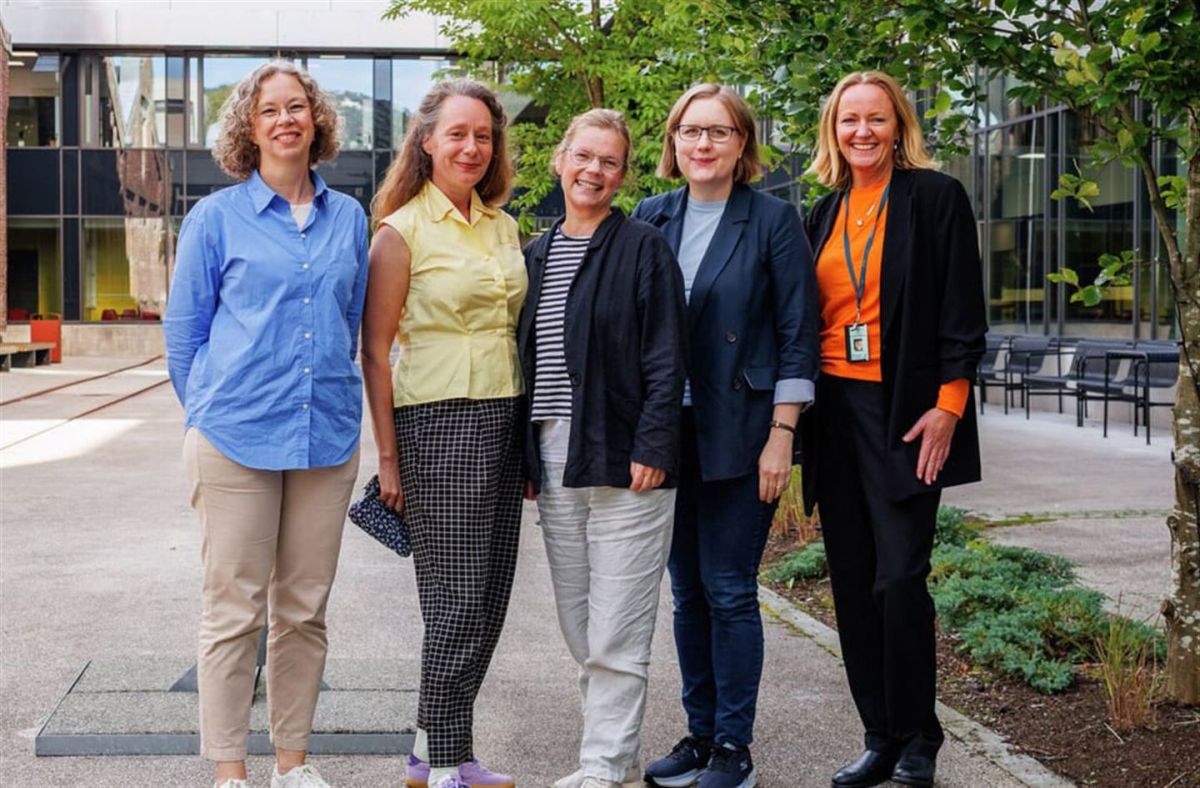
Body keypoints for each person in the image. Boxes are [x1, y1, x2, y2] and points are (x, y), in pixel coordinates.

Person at [163, 60, 367, 788]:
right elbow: (184, 338)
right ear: (250, 128)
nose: (286, 119)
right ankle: (230, 772)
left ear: (316, 120)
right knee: (234, 614)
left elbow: (346, 324)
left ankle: (293, 765)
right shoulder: (215, 219)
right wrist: (212, 417)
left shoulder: (349, 218)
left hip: (325, 436)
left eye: (297, 107)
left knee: (304, 612)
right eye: (270, 110)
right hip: (235, 439)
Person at [800, 71, 987, 788]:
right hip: (836, 416)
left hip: (908, 414)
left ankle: (920, 736)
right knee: (851, 580)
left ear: (897, 124)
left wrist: (949, 405)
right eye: (850, 120)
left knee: (900, 580)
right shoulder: (823, 211)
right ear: (833, 130)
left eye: (875, 119)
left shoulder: (935, 198)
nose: (862, 133)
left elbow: (963, 314)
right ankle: (879, 734)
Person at [632, 84, 820, 788]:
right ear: (673, 142)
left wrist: (783, 433)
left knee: (729, 587)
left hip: (744, 429)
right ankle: (700, 734)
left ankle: (735, 750)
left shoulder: (773, 220)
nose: (701, 144)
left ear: (743, 144)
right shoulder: (651, 216)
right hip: (667, 434)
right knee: (687, 592)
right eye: (689, 131)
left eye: (717, 131)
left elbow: (801, 333)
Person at [360, 79, 525, 788]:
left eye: (483, 135)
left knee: (489, 599)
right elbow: (374, 351)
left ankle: (433, 752)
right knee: (454, 602)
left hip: (505, 414)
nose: (471, 146)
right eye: (457, 133)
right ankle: (449, 760)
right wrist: (389, 460)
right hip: (439, 422)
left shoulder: (504, 226)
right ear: (426, 142)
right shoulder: (400, 232)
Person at [519, 109, 687, 788]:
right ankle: (606, 746)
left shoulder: (644, 248)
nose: (594, 171)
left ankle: (603, 764)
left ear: (624, 175)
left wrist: (654, 443)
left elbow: (666, 356)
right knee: (577, 616)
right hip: (555, 454)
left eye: (609, 162)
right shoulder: (532, 252)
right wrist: (526, 460)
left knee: (619, 620)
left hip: (628, 457)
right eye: (584, 157)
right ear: (561, 161)